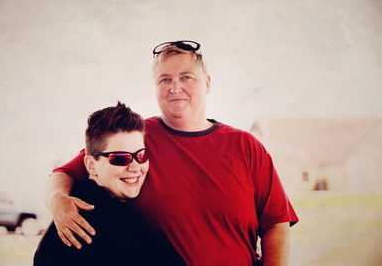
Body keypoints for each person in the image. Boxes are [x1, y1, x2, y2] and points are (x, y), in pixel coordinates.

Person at [46, 40, 299, 266]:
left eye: (187, 77)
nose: (175, 87)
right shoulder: (135, 141)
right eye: (165, 79)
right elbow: (67, 172)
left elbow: (276, 223)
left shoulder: (246, 146)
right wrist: (57, 199)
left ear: (207, 83)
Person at [34, 102, 185, 266]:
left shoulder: (88, 201)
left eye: (141, 155)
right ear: (91, 165)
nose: (135, 168)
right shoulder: (107, 223)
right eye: (120, 158)